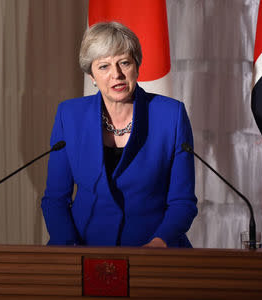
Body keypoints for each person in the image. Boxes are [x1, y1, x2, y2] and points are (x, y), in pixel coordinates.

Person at [41, 21, 197, 247]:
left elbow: (183, 202)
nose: (116, 74)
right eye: (103, 66)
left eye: (124, 62)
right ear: (92, 75)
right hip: (81, 250)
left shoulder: (171, 115)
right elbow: (55, 199)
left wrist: (159, 243)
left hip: (156, 252)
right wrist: (69, 249)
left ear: (137, 67)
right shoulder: (70, 115)